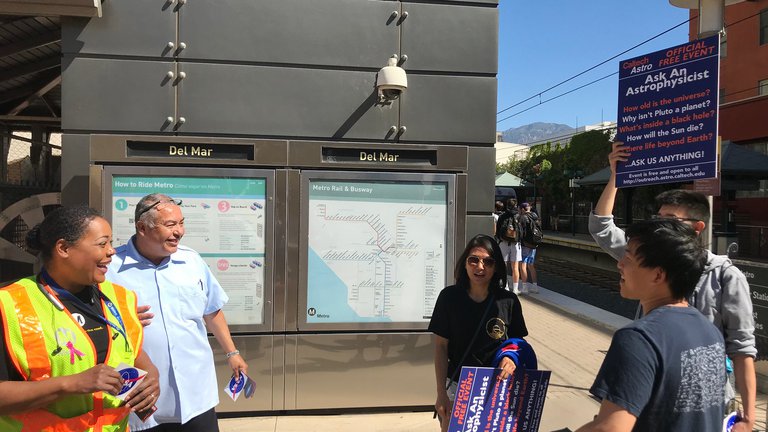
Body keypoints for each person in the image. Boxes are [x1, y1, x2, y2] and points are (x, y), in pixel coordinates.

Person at [589, 141, 757, 431]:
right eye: (658, 218)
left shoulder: (726, 276)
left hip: (703, 404)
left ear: (697, 227)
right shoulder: (646, 255)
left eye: (669, 220)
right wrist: (617, 174)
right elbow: (602, 227)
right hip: (647, 395)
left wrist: (748, 417)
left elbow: (742, 350)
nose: (660, 226)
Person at [0, 206, 159, 431]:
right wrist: (72, 384)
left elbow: (132, 353)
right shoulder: (9, 304)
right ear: (63, 248)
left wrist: (152, 376)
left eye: (111, 242)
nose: (112, 251)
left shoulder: (119, 298)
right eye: (102, 243)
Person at [107, 194, 247, 432]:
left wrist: (232, 352)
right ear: (142, 227)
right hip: (142, 397)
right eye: (170, 225)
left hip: (196, 395)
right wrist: (119, 319)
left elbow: (211, 310)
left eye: (181, 223)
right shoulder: (110, 269)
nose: (179, 232)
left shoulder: (191, 261)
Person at [576, 219, 725, 431]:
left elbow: (611, 428)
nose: (620, 264)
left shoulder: (638, 338)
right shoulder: (710, 332)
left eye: (628, 257)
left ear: (657, 275)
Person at [429, 234, 528, 432]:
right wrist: (441, 393)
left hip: (496, 387)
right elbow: (441, 347)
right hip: (459, 386)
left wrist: (512, 359)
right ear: (465, 263)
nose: (480, 267)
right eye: (473, 260)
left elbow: (518, 344)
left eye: (488, 262)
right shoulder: (449, 297)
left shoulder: (508, 301)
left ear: (496, 266)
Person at [495, 198, 522, 293]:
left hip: (504, 243)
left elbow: (497, 230)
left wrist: (500, 238)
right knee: (515, 267)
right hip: (516, 243)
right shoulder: (519, 216)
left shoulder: (502, 216)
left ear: (507, 205)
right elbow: (523, 231)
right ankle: (515, 288)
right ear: (516, 205)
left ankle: (505, 286)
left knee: (504, 265)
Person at [518, 202, 540, 294]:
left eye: (520, 209)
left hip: (525, 244)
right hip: (534, 244)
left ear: (523, 209)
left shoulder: (523, 217)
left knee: (523, 265)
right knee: (531, 266)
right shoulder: (536, 217)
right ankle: (535, 286)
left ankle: (524, 287)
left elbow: (520, 231)